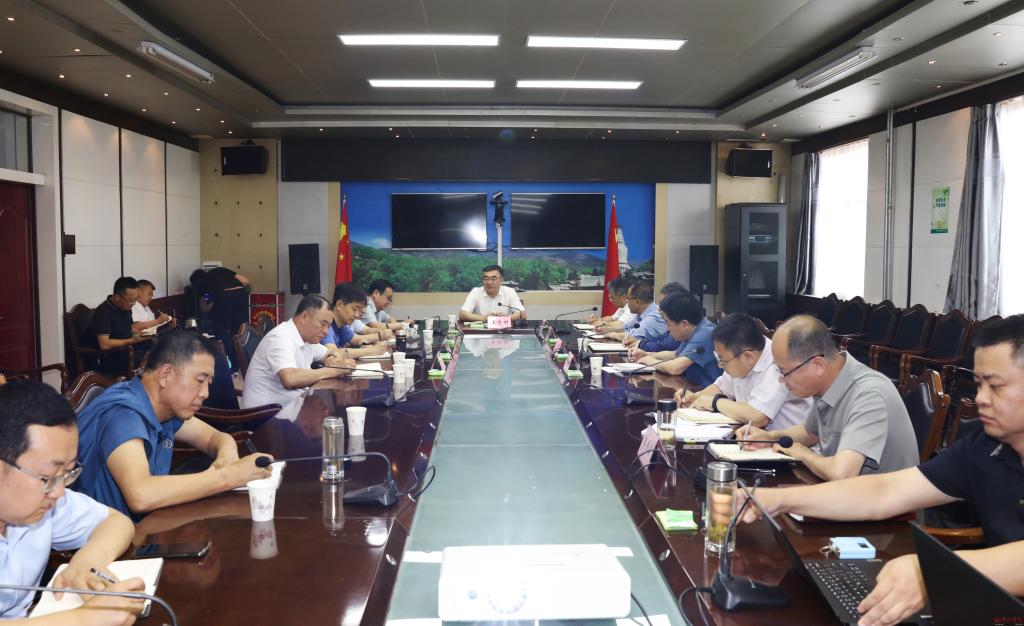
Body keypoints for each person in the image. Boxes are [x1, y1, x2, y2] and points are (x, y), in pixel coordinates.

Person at [738, 315, 1024, 626]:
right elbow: (886, 490)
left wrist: (931, 572)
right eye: (979, 385)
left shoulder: (869, 390)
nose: (980, 399)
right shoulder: (985, 446)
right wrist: (778, 499)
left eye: (995, 386)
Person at [75, 332, 272, 518]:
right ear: (165, 375)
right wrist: (228, 476)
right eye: (200, 380)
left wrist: (226, 457)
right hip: (106, 538)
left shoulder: (163, 409)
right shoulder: (123, 415)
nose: (205, 393)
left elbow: (216, 437)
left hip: (148, 523)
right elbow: (141, 494)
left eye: (208, 383)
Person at [0, 380, 144, 623]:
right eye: (47, 477)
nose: (59, 492)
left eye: (66, 473)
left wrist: (88, 559)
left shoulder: (44, 504)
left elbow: (116, 521)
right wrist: (82, 619)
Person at [741, 315, 918, 481]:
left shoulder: (869, 395)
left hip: (886, 501)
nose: (781, 380)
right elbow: (810, 432)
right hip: (854, 493)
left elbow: (842, 473)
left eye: (785, 372)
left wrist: (803, 453)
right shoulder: (829, 383)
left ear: (818, 365)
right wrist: (770, 437)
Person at [675, 313, 811, 430]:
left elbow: (758, 417)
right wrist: (695, 397)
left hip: (789, 447)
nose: (720, 366)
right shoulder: (738, 357)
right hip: (754, 439)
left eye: (723, 360)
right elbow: (721, 387)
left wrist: (715, 402)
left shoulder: (779, 363)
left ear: (748, 357)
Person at [241, 295, 356, 417]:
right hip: (264, 416)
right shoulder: (281, 337)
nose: (325, 331)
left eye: (328, 326)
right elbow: (290, 378)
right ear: (305, 317)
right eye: (323, 324)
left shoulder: (307, 338)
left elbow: (328, 353)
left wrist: (332, 360)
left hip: (289, 407)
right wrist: (335, 370)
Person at [632, 291, 722, 387]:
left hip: (709, 392)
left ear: (684, 324)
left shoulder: (706, 334)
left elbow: (675, 368)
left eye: (667, 322)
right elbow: (675, 354)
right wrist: (646, 354)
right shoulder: (694, 329)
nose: (667, 329)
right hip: (694, 389)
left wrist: (649, 361)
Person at [89, 277, 150, 374]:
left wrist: (139, 333)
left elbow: (126, 329)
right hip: (111, 356)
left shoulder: (126, 307)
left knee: (157, 347)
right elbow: (104, 344)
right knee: (150, 359)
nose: (134, 304)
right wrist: (132, 340)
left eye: (136, 299)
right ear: (117, 297)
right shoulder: (104, 312)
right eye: (131, 300)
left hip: (128, 348)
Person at [324, 283, 389, 359]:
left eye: (359, 310)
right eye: (354, 309)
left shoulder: (342, 326)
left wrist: (371, 346)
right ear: (340, 305)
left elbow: (357, 340)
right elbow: (334, 353)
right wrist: (372, 351)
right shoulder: (325, 326)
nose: (357, 315)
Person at [622, 282, 688, 351]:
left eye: (663, 303)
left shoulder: (656, 316)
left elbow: (664, 345)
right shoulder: (673, 320)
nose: (659, 307)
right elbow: (660, 339)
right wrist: (640, 342)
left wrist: (641, 344)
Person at [459, 265, 526, 322]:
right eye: (486, 279)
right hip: (481, 331)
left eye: (493, 279)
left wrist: (507, 318)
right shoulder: (476, 292)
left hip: (504, 331)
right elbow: (462, 314)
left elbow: (522, 313)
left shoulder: (509, 292)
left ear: (501, 280)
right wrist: (483, 318)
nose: (489, 282)